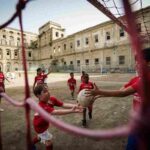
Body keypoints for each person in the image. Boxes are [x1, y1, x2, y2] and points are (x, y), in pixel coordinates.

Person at [86, 48, 150, 150]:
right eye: (136, 62)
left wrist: (99, 92)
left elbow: (122, 93)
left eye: (139, 63)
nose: (136, 66)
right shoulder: (136, 79)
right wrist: (100, 95)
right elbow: (120, 90)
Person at [32, 85, 83, 150]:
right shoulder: (41, 106)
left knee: (40, 137)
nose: (47, 92)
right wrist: (72, 110)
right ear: (38, 95)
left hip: (44, 124)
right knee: (49, 143)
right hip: (39, 126)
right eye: (44, 92)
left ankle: (31, 143)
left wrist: (76, 106)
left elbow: (63, 105)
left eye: (47, 90)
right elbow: (56, 112)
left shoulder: (52, 99)